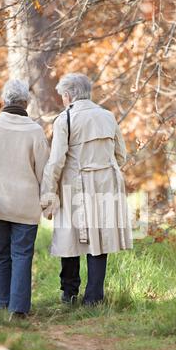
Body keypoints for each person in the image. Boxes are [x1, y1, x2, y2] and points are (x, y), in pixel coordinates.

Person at [42, 73, 133, 306]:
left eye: (63, 94)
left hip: (75, 185)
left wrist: (48, 193)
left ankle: (69, 294)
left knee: (68, 240)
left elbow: (56, 162)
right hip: (106, 185)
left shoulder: (65, 120)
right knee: (99, 240)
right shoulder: (108, 116)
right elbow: (121, 154)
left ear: (68, 95)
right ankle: (94, 298)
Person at [0, 79, 49, 320]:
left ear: (4, 101)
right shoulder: (35, 130)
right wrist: (47, 201)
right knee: (22, 255)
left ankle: (2, 306)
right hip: (26, 207)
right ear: (25, 102)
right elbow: (43, 171)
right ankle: (18, 309)